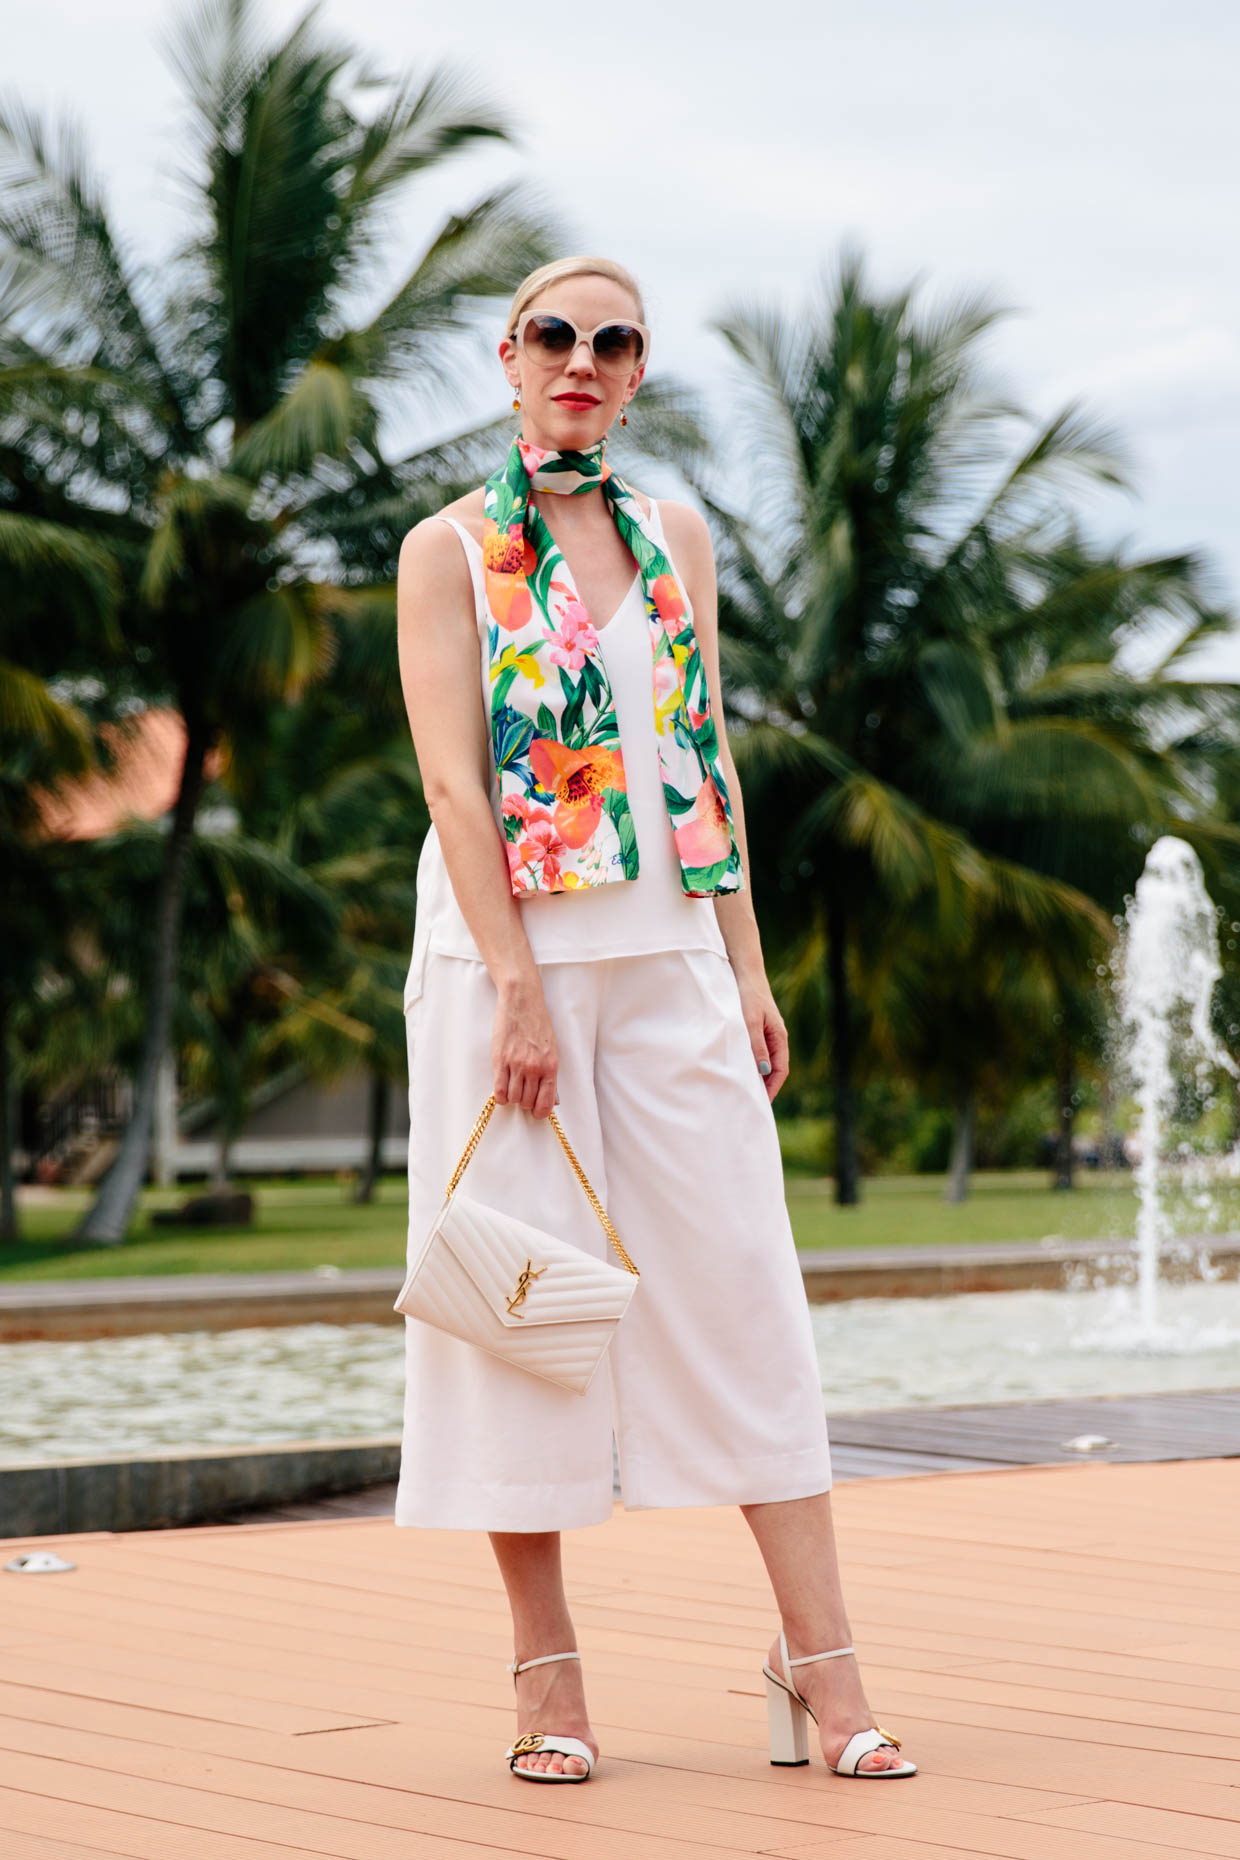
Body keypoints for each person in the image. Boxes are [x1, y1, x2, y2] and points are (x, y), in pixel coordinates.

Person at [393, 255, 917, 1785]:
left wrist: (745, 968)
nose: (583, 358)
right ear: (507, 356)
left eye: (614, 341)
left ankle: (820, 1664)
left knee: (746, 1291)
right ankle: (546, 1681)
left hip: (675, 950)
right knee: (524, 1312)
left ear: (636, 372)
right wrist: (513, 986)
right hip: (512, 966)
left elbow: (708, 760)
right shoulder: (447, 548)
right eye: (556, 333)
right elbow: (452, 779)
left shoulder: (675, 532)